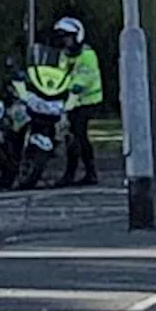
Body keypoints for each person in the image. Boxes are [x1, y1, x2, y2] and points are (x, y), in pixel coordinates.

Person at [51, 17, 101, 187]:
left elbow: (85, 76)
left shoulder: (87, 55)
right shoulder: (64, 55)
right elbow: (60, 74)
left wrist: (74, 87)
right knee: (70, 136)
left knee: (79, 135)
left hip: (86, 101)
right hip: (71, 101)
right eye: (63, 37)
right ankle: (71, 173)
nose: (65, 41)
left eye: (68, 37)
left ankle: (89, 172)